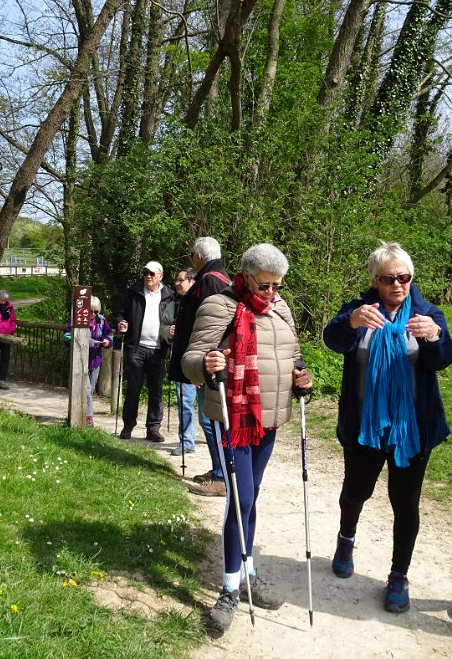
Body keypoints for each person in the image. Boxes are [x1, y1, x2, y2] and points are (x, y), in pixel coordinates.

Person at [182, 243, 312, 632]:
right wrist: (207, 363)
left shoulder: (282, 309)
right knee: (241, 499)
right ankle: (229, 588)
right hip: (233, 418)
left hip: (268, 420)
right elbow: (190, 360)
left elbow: (293, 356)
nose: (271, 292)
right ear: (246, 276)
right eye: (264, 285)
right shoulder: (219, 306)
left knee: (250, 496)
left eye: (277, 285)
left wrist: (301, 378)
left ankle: (247, 572)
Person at [323, 242, 452, 613]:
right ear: (375, 280)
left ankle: (399, 574)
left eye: (404, 277)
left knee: (405, 504)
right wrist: (350, 322)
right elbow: (333, 340)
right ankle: (346, 538)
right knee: (356, 492)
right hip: (365, 427)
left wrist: (435, 337)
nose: (397, 285)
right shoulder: (359, 311)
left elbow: (442, 360)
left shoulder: (428, 314)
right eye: (388, 278)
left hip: (412, 430)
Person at [170, 236, 231, 497]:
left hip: (210, 363)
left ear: (198, 256)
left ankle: (222, 476)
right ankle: (219, 469)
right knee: (211, 418)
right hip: (211, 361)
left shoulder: (210, 280)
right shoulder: (219, 277)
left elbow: (212, 326)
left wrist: (201, 366)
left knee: (210, 419)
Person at [115, 261, 173, 442]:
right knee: (133, 388)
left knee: (156, 391)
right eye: (145, 272)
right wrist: (121, 323)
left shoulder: (169, 296)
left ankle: (153, 429)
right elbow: (121, 313)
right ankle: (128, 425)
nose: (148, 276)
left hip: (158, 349)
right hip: (136, 347)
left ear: (160, 276)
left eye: (152, 273)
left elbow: (175, 318)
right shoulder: (134, 291)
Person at [161, 269, 197, 456]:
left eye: (180, 280)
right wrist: (168, 332)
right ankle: (187, 441)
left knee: (207, 407)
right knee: (185, 402)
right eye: (176, 280)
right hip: (182, 360)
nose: (176, 283)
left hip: (203, 359)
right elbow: (163, 325)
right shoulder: (173, 304)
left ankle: (215, 443)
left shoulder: (203, 300)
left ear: (192, 281)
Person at [84, 296, 114, 426]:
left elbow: (109, 334)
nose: (92, 314)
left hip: (96, 359)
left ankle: (83, 412)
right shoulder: (79, 319)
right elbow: (68, 334)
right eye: (90, 311)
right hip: (82, 360)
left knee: (90, 389)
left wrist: (107, 341)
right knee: (86, 388)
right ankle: (88, 416)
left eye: (95, 311)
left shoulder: (101, 321)